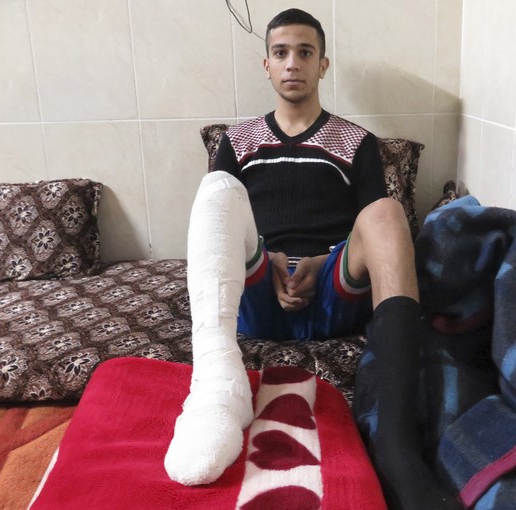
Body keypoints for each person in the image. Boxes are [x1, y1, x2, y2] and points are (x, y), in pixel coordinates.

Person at [164, 8, 456, 510]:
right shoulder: (237, 142)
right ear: (266, 65)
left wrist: (322, 260)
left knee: (387, 211)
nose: (292, 63)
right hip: (259, 287)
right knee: (217, 190)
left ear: (323, 64)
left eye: (305, 52)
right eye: (281, 53)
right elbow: (226, 229)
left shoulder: (357, 143)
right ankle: (214, 391)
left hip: (331, 288)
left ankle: (397, 444)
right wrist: (271, 257)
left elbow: (369, 229)